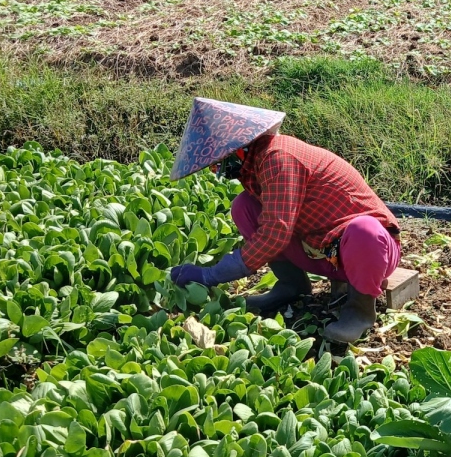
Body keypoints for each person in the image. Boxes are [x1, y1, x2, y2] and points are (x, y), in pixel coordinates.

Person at [168, 98, 401, 343]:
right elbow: (274, 225)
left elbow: (274, 233)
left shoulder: (278, 158)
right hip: (324, 253)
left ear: (239, 149)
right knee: (244, 207)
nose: (217, 171)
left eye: (218, 163)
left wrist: (211, 275)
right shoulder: (254, 166)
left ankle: (360, 309)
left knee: (363, 230)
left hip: (368, 252)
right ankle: (292, 286)